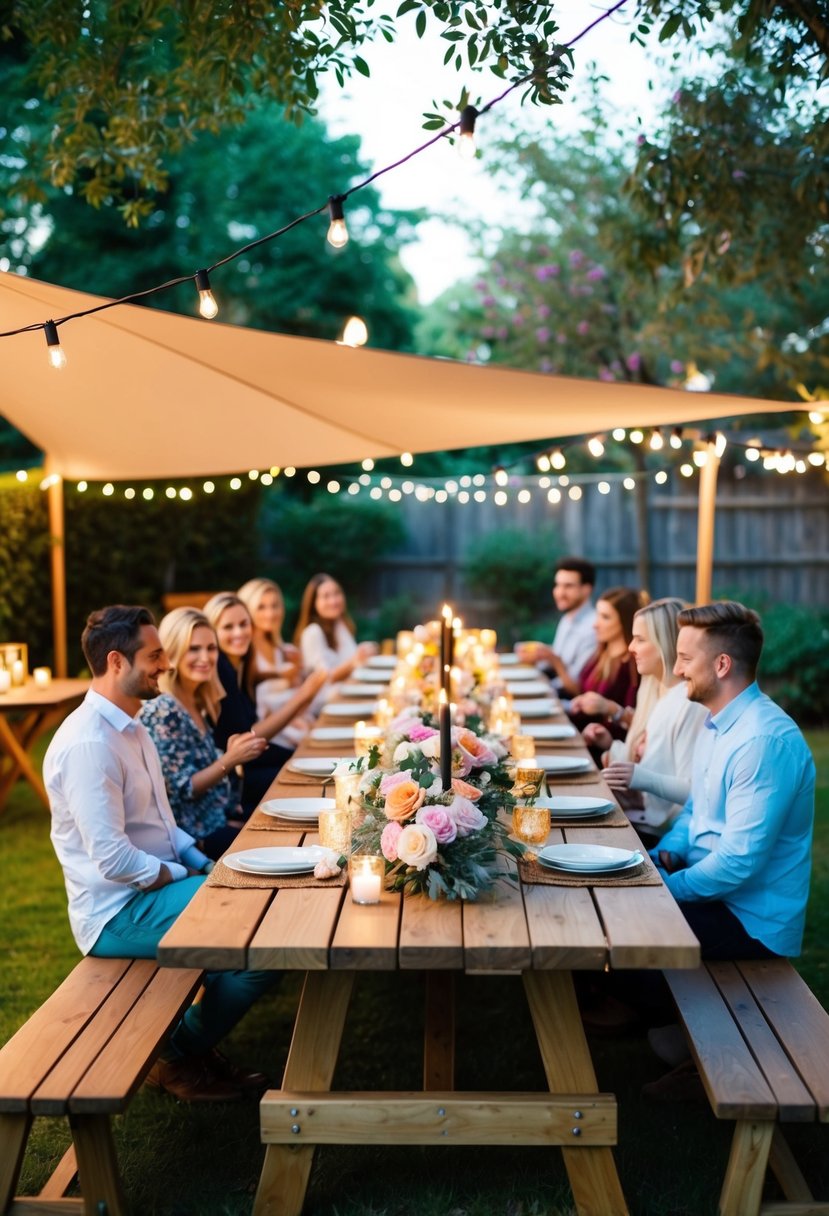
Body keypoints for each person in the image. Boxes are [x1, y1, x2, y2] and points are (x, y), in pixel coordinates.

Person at [44, 604, 276, 1102]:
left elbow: (164, 826)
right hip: (117, 911)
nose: (164, 666)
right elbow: (114, 862)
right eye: (154, 656)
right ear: (115, 662)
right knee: (261, 937)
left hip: (156, 891)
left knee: (259, 920)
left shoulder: (134, 725)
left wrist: (205, 866)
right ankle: (176, 1056)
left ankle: (188, 1049)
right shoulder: (89, 744)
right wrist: (183, 876)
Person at [653, 601, 815, 959]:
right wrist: (667, 851)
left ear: (721, 664)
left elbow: (738, 862)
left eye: (685, 658)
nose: (677, 670)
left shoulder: (762, 742)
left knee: (623, 920)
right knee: (613, 878)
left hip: (748, 921)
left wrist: (665, 887)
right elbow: (696, 808)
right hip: (707, 883)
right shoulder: (717, 722)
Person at [139, 607, 268, 859]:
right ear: (172, 652)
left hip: (218, 820)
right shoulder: (164, 708)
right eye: (194, 649)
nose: (206, 657)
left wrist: (230, 757)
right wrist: (230, 760)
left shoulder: (199, 700)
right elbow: (183, 787)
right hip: (192, 842)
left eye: (211, 648)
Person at [582, 597, 708, 837]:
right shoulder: (655, 691)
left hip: (664, 834)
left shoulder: (688, 704)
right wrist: (609, 744)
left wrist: (640, 777)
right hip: (643, 818)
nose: (630, 647)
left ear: (665, 643)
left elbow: (694, 791)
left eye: (639, 639)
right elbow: (650, 762)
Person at [205, 592, 327, 814]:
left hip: (249, 765)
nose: (239, 633)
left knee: (310, 765)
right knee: (309, 778)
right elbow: (247, 738)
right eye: (228, 627)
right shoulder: (219, 670)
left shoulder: (239, 664)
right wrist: (303, 696)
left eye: (244, 624)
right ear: (211, 633)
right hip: (231, 781)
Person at [237, 577, 311, 747]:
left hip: (289, 721)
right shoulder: (246, 651)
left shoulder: (281, 648)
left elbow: (297, 691)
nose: (270, 613)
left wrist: (297, 667)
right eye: (261, 607)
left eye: (274, 605)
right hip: (265, 732)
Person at [567, 586, 646, 741]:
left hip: (607, 746)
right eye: (598, 616)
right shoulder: (601, 653)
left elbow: (636, 724)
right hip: (582, 736)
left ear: (624, 621)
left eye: (605, 617)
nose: (595, 624)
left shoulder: (634, 665)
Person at [516, 556, 597, 703]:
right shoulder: (567, 619)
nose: (560, 593)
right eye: (557, 585)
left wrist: (553, 659)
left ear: (586, 590)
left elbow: (578, 689)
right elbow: (559, 660)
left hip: (570, 704)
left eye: (568, 586)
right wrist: (540, 654)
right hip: (553, 692)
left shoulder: (593, 628)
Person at [294, 572, 377, 684]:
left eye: (337, 593)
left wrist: (366, 653)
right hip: (325, 699)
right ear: (314, 603)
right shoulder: (312, 632)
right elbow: (324, 679)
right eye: (326, 596)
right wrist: (355, 660)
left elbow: (356, 665)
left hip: (346, 692)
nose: (333, 601)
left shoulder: (340, 626)